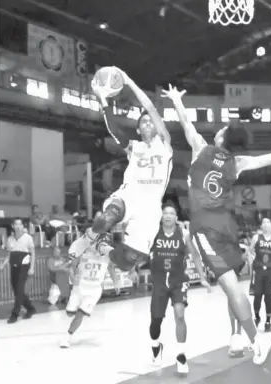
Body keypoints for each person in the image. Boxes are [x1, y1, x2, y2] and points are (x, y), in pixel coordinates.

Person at [162, 84, 271, 365]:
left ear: (222, 136)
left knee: (231, 288)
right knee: (235, 286)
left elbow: (186, 122)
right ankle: (240, 336)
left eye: (224, 128)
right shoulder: (237, 162)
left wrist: (177, 100)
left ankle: (254, 341)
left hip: (205, 229)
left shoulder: (200, 148)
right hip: (228, 225)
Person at [69, 66, 173, 275]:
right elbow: (114, 130)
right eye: (143, 122)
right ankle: (89, 236)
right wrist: (102, 99)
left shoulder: (165, 143)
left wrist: (128, 81)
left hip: (150, 209)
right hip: (129, 196)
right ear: (138, 129)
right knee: (106, 219)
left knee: (128, 262)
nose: (149, 123)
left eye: (151, 122)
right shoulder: (134, 147)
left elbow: (151, 108)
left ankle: (100, 246)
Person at [149, 202, 211, 374]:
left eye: (172, 213)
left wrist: (203, 278)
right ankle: (156, 346)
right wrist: (132, 269)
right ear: (161, 217)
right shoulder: (154, 233)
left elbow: (196, 256)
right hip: (160, 282)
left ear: (176, 218)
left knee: (179, 314)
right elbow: (140, 252)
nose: (168, 215)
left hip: (178, 281)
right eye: (165, 213)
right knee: (156, 320)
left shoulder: (183, 234)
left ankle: (181, 356)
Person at [60, 234, 117, 348]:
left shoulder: (108, 256)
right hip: (79, 287)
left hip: (94, 290)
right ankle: (74, 311)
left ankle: (67, 337)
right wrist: (73, 276)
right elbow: (72, 266)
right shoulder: (83, 251)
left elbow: (111, 268)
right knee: (69, 313)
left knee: (80, 314)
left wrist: (116, 282)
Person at [0, 218, 36, 323]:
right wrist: (3, 264)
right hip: (13, 265)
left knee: (20, 288)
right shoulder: (10, 239)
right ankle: (31, 309)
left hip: (24, 264)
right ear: (13, 226)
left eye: (20, 224)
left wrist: (32, 267)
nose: (18, 226)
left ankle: (15, 314)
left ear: (23, 226)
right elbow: (9, 254)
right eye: (16, 224)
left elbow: (33, 253)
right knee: (16, 290)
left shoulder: (28, 238)